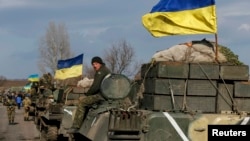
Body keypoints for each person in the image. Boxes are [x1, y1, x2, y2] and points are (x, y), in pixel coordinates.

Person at [67, 56, 111, 133]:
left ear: (100, 63)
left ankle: (76, 126)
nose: (94, 66)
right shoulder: (106, 70)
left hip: (101, 96)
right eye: (93, 64)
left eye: (96, 64)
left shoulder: (100, 72)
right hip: (106, 94)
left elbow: (95, 86)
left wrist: (87, 94)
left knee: (82, 103)